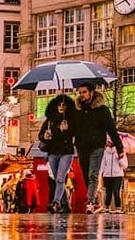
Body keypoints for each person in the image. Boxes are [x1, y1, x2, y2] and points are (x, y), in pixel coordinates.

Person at [73, 84, 123, 213]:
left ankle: (90, 202)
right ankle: (94, 200)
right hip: (82, 146)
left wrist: (119, 148)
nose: (82, 95)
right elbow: (73, 129)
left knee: (92, 174)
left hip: (97, 146)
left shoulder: (102, 110)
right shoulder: (77, 111)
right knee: (85, 175)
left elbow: (111, 129)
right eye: (80, 92)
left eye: (84, 92)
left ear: (91, 92)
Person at [37, 94, 76, 214]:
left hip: (66, 152)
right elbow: (41, 135)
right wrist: (45, 136)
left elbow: (73, 135)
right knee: (57, 180)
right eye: (59, 104)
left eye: (64, 105)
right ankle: (66, 205)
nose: (61, 107)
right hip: (52, 153)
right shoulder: (50, 121)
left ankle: (56, 202)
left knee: (60, 178)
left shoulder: (70, 121)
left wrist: (66, 130)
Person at [100, 140, 127, 212]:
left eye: (110, 142)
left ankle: (118, 207)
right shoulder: (105, 152)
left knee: (116, 191)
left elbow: (125, 166)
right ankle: (107, 207)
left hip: (118, 175)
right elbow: (103, 163)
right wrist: (101, 173)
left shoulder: (121, 152)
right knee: (108, 192)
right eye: (107, 142)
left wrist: (120, 159)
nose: (108, 143)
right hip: (107, 175)